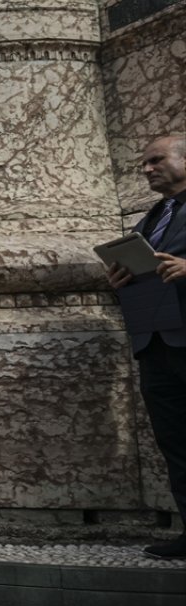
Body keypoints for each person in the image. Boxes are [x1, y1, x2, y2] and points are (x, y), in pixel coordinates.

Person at [107, 134, 186, 560]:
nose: (147, 169)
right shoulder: (152, 217)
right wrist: (120, 280)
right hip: (157, 344)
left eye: (156, 160)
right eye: (144, 163)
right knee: (177, 444)